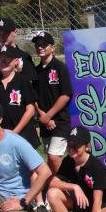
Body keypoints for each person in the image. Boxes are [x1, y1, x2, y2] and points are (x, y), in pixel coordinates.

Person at [0, 46, 40, 148]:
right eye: (0, 59)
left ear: (16, 61)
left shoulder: (22, 81)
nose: (3, 62)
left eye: (7, 59)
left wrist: (14, 132)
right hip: (0, 135)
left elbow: (30, 110)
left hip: (24, 135)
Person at [34, 30, 72, 175]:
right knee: (50, 158)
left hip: (60, 121)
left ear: (52, 48)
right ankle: (54, 187)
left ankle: (65, 183)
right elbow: (33, 96)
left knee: (54, 156)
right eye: (37, 45)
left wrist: (49, 115)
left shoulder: (60, 68)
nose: (40, 47)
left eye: (44, 44)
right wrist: (42, 115)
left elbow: (66, 94)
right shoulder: (36, 71)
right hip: (44, 122)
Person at [0, 18, 38, 88]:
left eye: (6, 33)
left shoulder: (24, 57)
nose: (2, 37)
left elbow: (30, 83)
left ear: (15, 32)